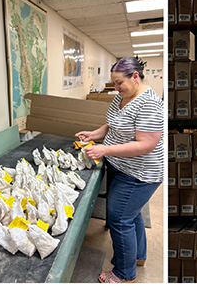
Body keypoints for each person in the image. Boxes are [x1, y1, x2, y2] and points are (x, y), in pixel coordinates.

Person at [76, 57, 164, 283]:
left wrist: (105, 149)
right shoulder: (122, 96)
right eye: (113, 83)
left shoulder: (150, 103)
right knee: (131, 214)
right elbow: (112, 124)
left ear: (135, 77)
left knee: (120, 218)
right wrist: (94, 135)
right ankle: (138, 256)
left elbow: (146, 144)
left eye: (119, 83)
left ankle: (124, 274)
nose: (116, 88)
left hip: (139, 173)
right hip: (120, 165)